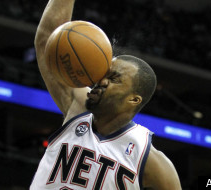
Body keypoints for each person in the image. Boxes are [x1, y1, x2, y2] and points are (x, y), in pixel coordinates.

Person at [31, 0, 182, 189]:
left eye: (113, 78)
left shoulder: (149, 158)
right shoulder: (78, 108)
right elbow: (48, 41)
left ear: (134, 99)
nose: (101, 81)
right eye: (103, 75)